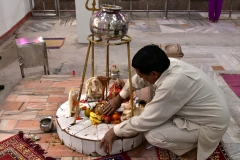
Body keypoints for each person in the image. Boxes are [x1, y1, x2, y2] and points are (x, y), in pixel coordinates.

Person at [100, 44, 230, 160]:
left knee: (152, 134)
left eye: (143, 75)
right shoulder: (168, 63)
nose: (140, 78)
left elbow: (146, 120)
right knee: (155, 118)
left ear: (154, 74)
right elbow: (139, 79)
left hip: (211, 126)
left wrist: (114, 132)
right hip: (211, 113)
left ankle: (196, 149)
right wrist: (120, 97)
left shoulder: (171, 85)